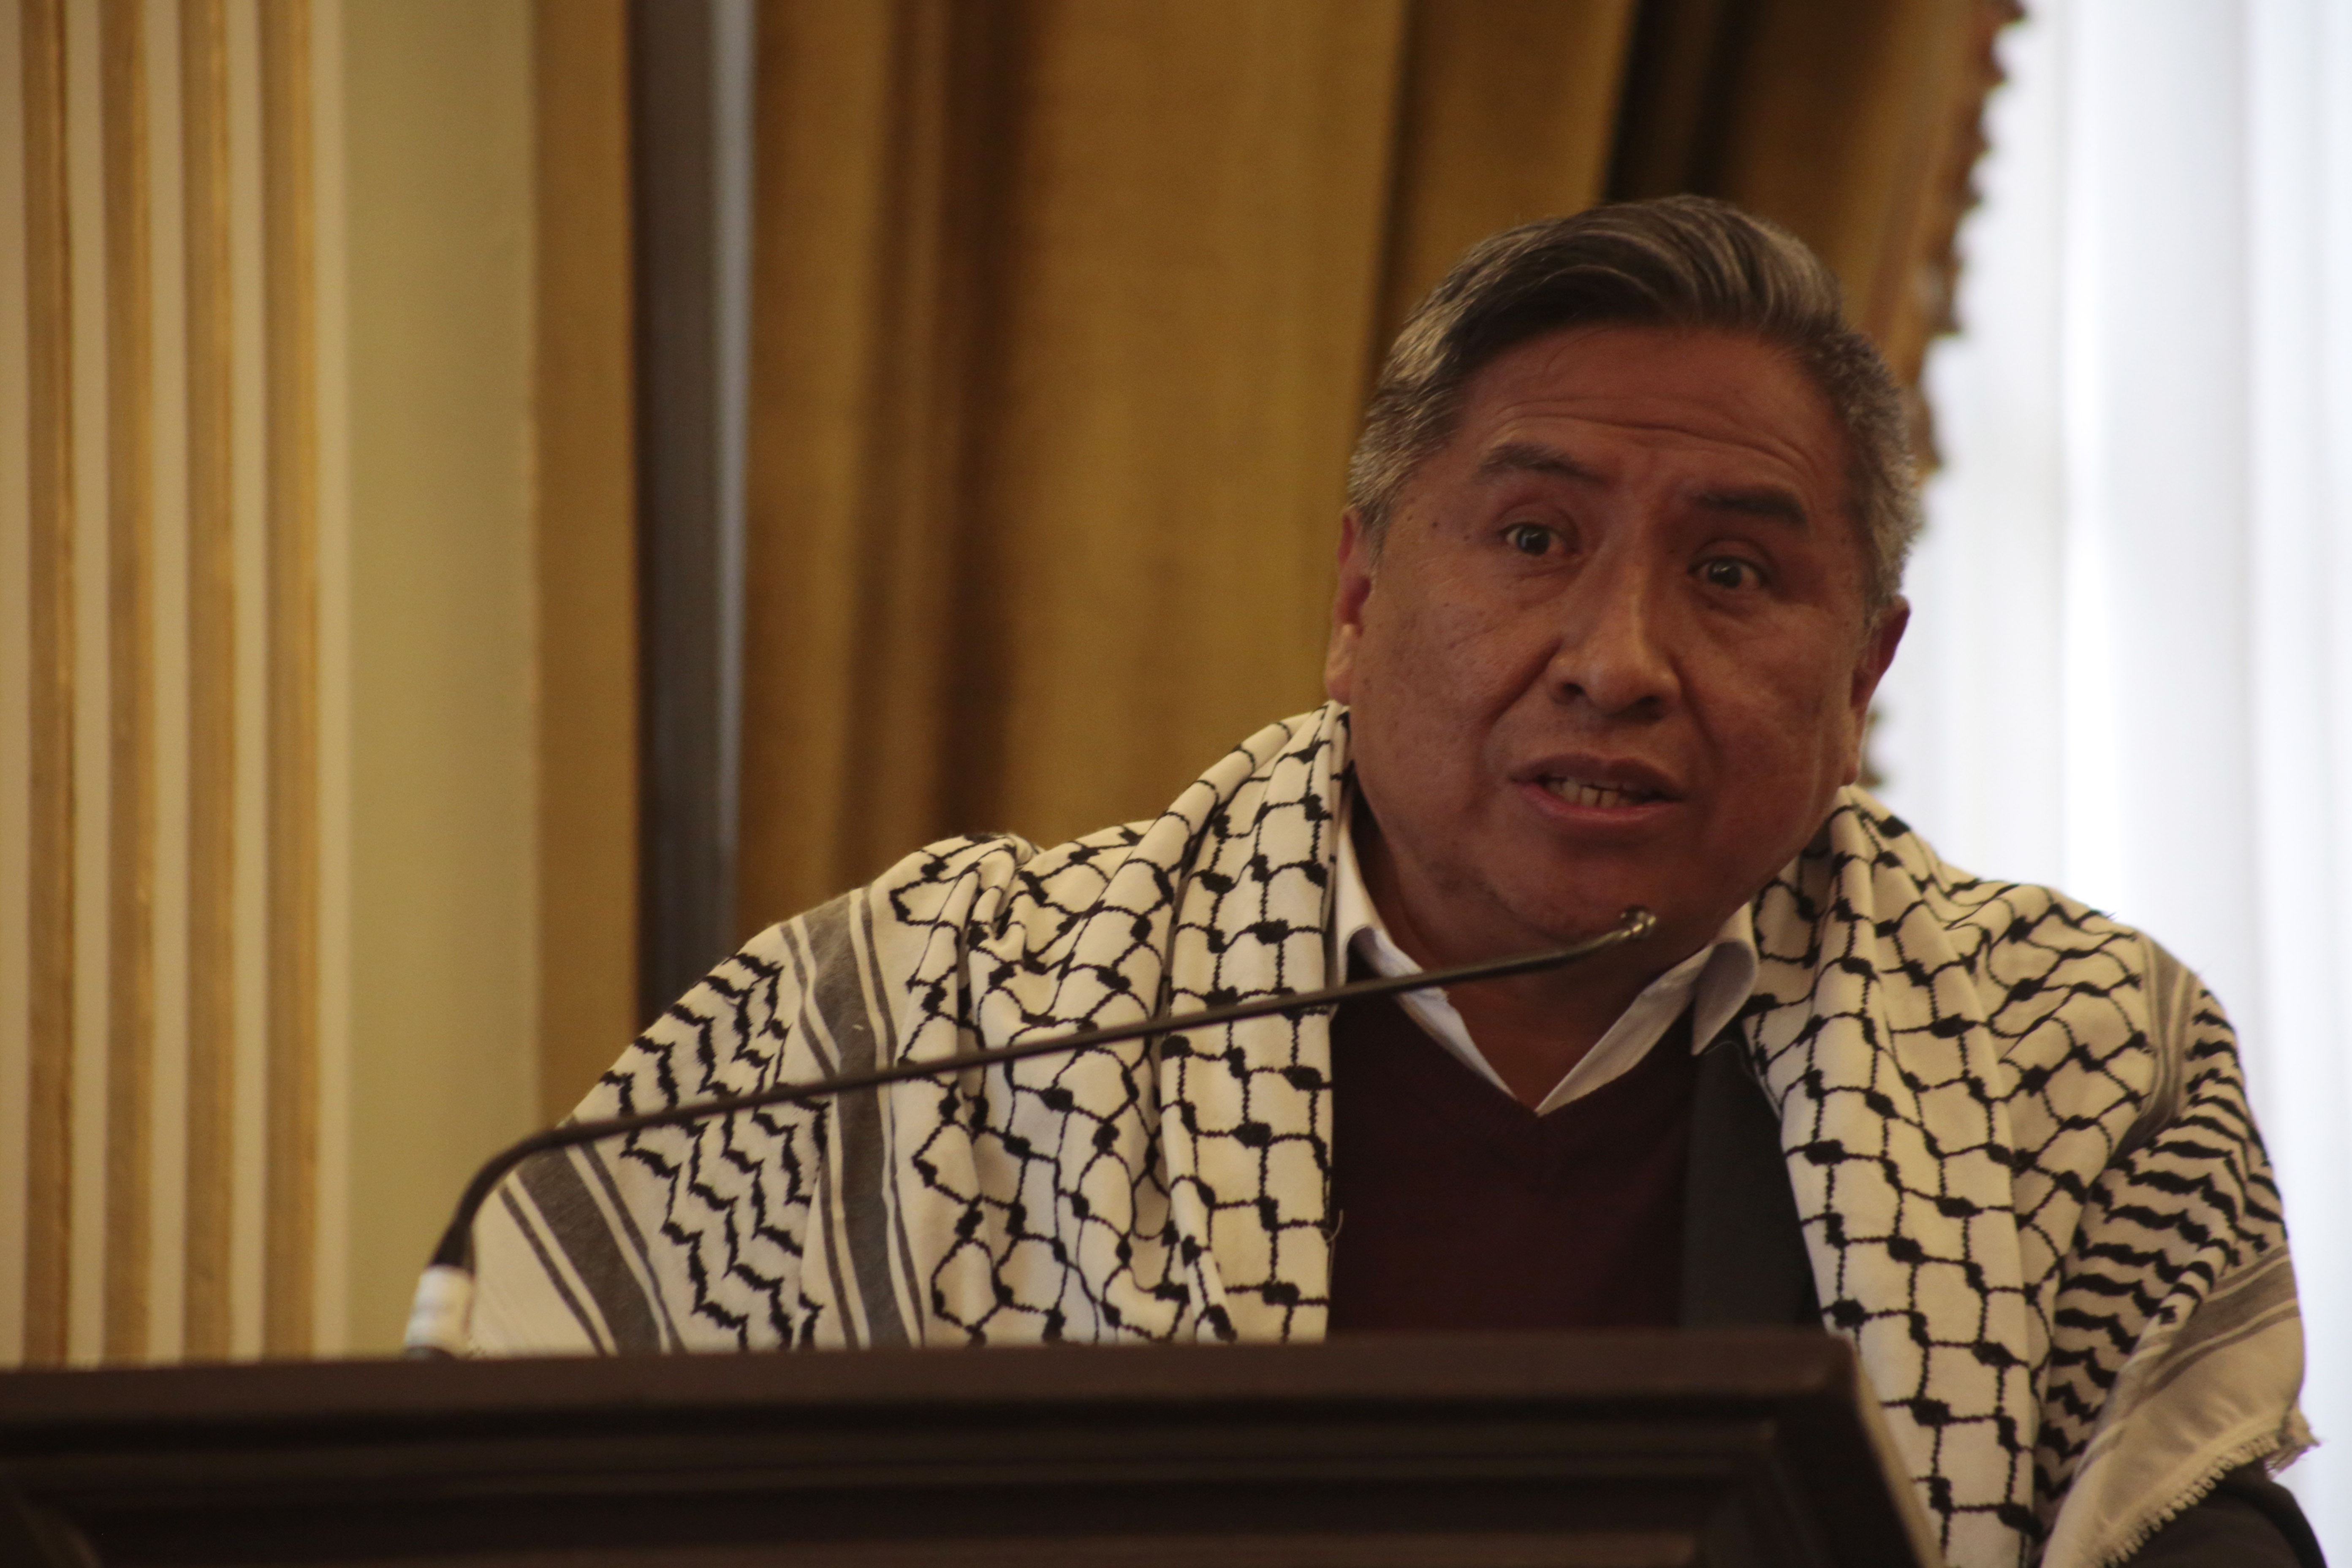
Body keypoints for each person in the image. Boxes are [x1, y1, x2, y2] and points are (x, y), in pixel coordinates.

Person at [470, 198, 2319, 1568]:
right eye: (1532, 536)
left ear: (1862, 677)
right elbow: (500, 1472)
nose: (1617, 658)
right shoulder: (923, 1018)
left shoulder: (2078, 1056)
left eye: (1733, 574)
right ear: (1357, 599)